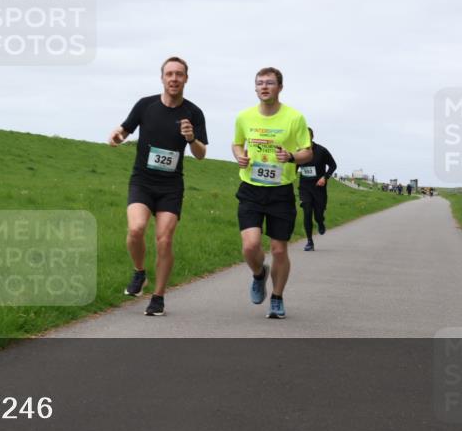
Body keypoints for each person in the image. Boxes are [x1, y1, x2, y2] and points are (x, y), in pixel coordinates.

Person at [108, 57, 208, 316]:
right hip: (142, 180)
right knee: (136, 228)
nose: (174, 78)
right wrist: (117, 136)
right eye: (169, 74)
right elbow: (124, 129)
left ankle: (159, 297)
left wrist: (191, 137)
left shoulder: (194, 113)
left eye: (179, 74)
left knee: (164, 240)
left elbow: (200, 154)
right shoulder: (145, 105)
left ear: (186, 78)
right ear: (162, 78)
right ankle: (139, 272)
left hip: (171, 186)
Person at [232, 67, 312, 319]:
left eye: (269, 83)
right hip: (251, 188)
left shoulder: (294, 118)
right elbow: (236, 143)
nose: (264, 87)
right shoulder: (244, 117)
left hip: (281, 191)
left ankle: (276, 298)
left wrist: (290, 156)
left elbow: (307, 152)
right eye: (259, 83)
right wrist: (239, 157)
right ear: (255, 88)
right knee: (250, 245)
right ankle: (258, 274)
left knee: (279, 250)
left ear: (280, 87)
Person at [296, 128, 337, 251]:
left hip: (319, 187)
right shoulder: (298, 152)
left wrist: (325, 177)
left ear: (312, 137)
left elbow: (333, 165)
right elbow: (294, 166)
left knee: (318, 215)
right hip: (304, 187)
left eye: (307, 136)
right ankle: (309, 241)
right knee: (307, 211)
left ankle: (320, 222)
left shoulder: (322, 151)